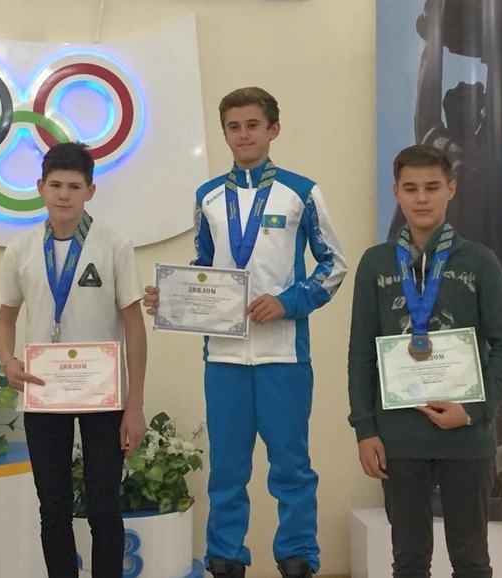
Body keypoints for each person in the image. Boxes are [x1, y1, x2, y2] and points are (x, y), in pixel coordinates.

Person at [143, 87, 346, 578]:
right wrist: (172, 298)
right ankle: (226, 558)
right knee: (228, 468)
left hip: (284, 356)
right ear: (224, 134)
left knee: (291, 467)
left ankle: (298, 557)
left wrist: (288, 302)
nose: (244, 135)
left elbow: (334, 265)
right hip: (224, 359)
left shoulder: (301, 192)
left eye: (253, 125)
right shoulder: (208, 197)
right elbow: (203, 267)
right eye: (234, 127)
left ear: (273, 129)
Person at [348, 145, 502, 577]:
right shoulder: (375, 263)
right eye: (410, 188)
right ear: (396, 193)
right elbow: (361, 353)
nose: (421, 198)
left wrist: (473, 410)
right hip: (399, 436)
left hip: (466, 435)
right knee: (409, 561)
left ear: (451, 189)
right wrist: (365, 429)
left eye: (431, 187)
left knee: (471, 560)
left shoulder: (480, 261)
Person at [0, 142, 147, 578]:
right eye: (56, 185)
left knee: (104, 506)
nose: (64, 194)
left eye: (74, 186)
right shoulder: (21, 248)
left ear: (90, 191)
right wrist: (7, 361)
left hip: (104, 396)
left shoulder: (115, 244)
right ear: (40, 187)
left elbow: (134, 326)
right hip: (44, 394)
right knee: (53, 508)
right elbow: (4, 319)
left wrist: (134, 404)